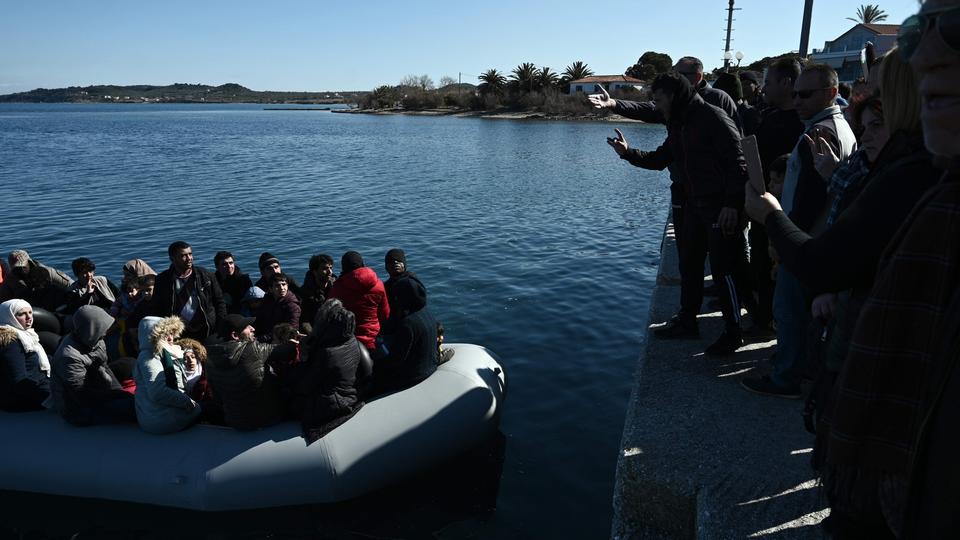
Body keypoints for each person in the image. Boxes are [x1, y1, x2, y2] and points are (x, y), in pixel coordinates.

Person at [742, 50, 935, 402]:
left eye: (880, 92)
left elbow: (814, 207)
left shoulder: (905, 169)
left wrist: (774, 224)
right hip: (826, 252)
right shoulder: (855, 135)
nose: (869, 99)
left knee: (790, 314)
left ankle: (786, 376)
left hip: (814, 249)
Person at [606, 72, 749, 355]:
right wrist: (628, 153)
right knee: (689, 264)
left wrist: (732, 205)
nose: (655, 105)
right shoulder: (679, 123)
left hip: (721, 209)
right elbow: (661, 159)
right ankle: (687, 321)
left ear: (673, 96)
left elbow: (739, 163)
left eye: (658, 100)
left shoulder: (713, 118)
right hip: (695, 204)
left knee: (723, 270)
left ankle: (734, 332)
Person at [761, 63, 858, 397]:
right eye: (796, 93)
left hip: (806, 240)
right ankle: (800, 368)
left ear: (831, 93)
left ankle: (784, 377)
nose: (796, 99)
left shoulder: (818, 134)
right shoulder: (842, 126)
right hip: (824, 240)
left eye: (805, 94)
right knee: (806, 314)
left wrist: (782, 238)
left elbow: (810, 198)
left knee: (788, 311)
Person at [746, 58, 807, 339]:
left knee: (778, 268)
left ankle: (773, 326)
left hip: (786, 210)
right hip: (763, 203)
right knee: (759, 260)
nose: (763, 88)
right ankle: (762, 316)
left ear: (786, 83)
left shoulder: (803, 124)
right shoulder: (769, 116)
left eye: (768, 82)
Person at [293, 299, 366, 443]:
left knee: (291, 400)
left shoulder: (327, 353)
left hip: (332, 403)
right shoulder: (351, 340)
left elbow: (306, 386)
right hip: (349, 394)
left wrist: (302, 359)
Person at [49, 305, 135, 426]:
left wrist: (118, 391)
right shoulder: (69, 356)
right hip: (77, 408)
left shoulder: (96, 340)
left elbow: (104, 366)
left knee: (132, 393)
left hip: (97, 388)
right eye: (102, 327)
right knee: (132, 407)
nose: (106, 331)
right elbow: (82, 395)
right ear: (92, 328)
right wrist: (116, 395)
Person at [204, 314, 284, 430]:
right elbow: (288, 351)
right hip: (268, 420)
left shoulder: (210, 360)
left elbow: (217, 398)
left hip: (236, 423)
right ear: (235, 335)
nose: (253, 328)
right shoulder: (252, 349)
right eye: (247, 327)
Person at [133, 316, 202, 434]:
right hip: (158, 419)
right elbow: (158, 392)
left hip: (155, 415)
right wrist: (187, 402)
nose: (171, 337)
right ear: (153, 335)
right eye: (165, 334)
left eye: (172, 333)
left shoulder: (165, 352)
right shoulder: (149, 356)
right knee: (202, 409)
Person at [149, 241, 226, 341]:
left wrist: (220, 326)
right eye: (183, 256)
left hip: (206, 329)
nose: (189, 258)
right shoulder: (163, 280)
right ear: (172, 259)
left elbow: (219, 302)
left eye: (190, 254)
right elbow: (156, 307)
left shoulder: (206, 276)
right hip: (177, 332)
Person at [375, 276, 438, 393]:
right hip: (431, 365)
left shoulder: (408, 324)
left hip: (415, 376)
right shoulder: (426, 311)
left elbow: (397, 359)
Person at [328, 252, 390, 351]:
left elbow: (331, 314)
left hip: (349, 340)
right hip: (373, 338)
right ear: (362, 263)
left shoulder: (338, 287)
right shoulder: (378, 284)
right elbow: (385, 314)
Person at [0, 299, 51, 411]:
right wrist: (50, 396)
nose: (29, 317)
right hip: (25, 398)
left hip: (37, 387)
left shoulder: (25, 334)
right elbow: (19, 381)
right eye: (21, 314)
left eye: (30, 312)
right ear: (9, 316)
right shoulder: (10, 342)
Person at [254, 273, 301, 342]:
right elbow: (259, 321)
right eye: (277, 285)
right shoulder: (266, 301)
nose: (282, 288)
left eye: (284, 284)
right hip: (264, 336)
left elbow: (291, 330)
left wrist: (261, 339)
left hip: (281, 341)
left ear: (287, 286)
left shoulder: (292, 306)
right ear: (270, 289)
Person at [299, 254, 336, 333]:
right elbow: (305, 321)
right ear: (315, 272)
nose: (330, 272)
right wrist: (314, 336)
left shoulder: (337, 287)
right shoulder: (305, 292)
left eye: (331, 268)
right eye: (325, 268)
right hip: (316, 332)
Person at [214, 251, 253, 315]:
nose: (229, 266)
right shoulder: (213, 280)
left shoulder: (243, 280)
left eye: (231, 263)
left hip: (240, 313)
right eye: (224, 264)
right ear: (217, 266)